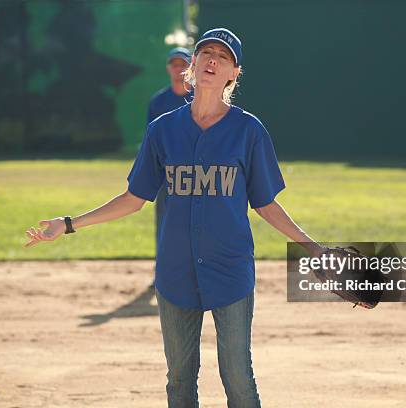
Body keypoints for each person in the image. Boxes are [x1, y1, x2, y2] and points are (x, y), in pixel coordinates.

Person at [24, 28, 325, 408]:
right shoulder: (163, 130)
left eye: (224, 56)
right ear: (193, 66)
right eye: (206, 53)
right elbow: (134, 199)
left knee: (238, 377)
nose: (212, 60)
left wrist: (312, 247)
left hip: (230, 269)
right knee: (180, 381)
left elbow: (265, 204)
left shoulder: (249, 131)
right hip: (175, 271)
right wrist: (68, 224)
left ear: (234, 73)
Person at [147, 47, 192, 286]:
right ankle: (162, 272)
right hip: (166, 176)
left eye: (183, 64)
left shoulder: (199, 98)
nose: (179, 69)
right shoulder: (159, 101)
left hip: (196, 176)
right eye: (174, 64)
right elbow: (150, 141)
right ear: (168, 68)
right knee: (165, 224)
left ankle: (193, 271)